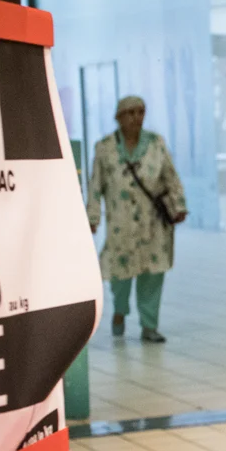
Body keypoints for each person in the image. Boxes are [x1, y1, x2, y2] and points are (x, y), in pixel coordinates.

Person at [87, 95, 188, 343]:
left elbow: (171, 178)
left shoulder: (156, 144)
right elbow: (95, 186)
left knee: (152, 274)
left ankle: (149, 325)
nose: (136, 118)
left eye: (140, 112)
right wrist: (93, 216)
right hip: (120, 224)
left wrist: (179, 206)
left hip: (152, 222)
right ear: (119, 117)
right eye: (130, 113)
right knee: (119, 276)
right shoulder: (105, 148)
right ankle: (120, 311)